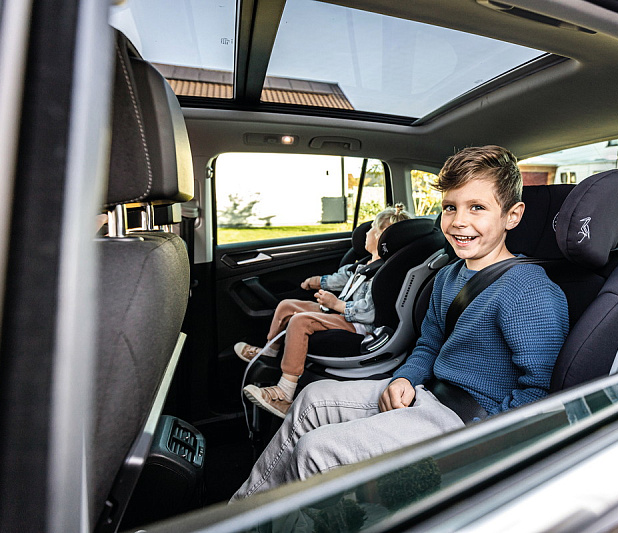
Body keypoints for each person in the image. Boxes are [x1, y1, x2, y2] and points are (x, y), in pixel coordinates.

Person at [230, 145, 569, 502]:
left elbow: (540, 391)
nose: (458, 221)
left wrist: (472, 445)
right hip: (429, 393)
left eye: (477, 208)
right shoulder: (449, 276)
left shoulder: (529, 290)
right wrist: (405, 378)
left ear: (512, 216)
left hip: (465, 421)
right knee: (311, 399)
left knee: (316, 450)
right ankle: (241, 511)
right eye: (450, 207)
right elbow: (429, 344)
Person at [235, 204, 412, 418]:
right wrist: (318, 281)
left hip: (358, 324)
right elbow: (342, 278)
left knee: (300, 321)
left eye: (372, 228)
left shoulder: (383, 274)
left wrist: (337, 305)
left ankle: (284, 394)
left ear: (382, 236)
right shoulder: (365, 264)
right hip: (341, 312)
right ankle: (269, 352)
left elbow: (369, 313)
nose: (366, 232)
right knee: (287, 306)